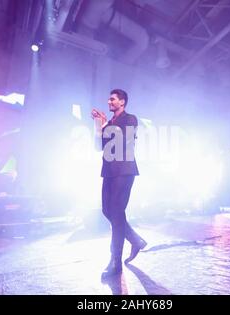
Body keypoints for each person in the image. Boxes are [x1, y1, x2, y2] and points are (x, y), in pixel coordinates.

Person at [91, 89, 147, 278]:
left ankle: (116, 261)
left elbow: (121, 139)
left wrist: (105, 122)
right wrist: (98, 124)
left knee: (116, 212)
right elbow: (98, 146)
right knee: (107, 211)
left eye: (113, 99)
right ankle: (135, 240)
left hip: (124, 170)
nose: (109, 101)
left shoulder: (130, 119)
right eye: (109, 98)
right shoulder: (110, 123)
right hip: (108, 171)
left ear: (122, 102)